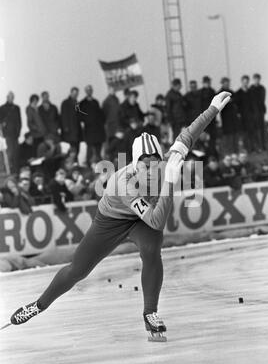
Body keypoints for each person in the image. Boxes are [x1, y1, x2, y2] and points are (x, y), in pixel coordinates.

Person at [9, 92, 231, 341]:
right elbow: (157, 220)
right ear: (134, 164)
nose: (150, 169)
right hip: (111, 221)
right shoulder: (124, 184)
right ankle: (38, 305)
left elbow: (189, 134)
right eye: (144, 164)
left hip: (140, 220)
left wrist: (212, 109)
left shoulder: (165, 163)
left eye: (155, 163)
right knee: (78, 271)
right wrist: (169, 180)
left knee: (151, 248)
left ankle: (150, 313)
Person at [79, 85, 106, 164]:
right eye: (87, 90)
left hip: (98, 129)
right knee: (90, 149)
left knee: (98, 149)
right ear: (85, 91)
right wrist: (87, 121)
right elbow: (80, 116)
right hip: (89, 130)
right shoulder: (82, 103)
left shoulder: (95, 102)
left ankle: (100, 165)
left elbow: (100, 114)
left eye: (90, 90)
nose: (89, 91)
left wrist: (102, 122)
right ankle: (89, 164)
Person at [0, 91, 22, 173]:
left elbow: (19, 121)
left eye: (12, 97)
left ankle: (15, 172)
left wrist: (18, 132)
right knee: (9, 154)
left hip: (15, 135)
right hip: (7, 135)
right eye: (10, 97)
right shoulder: (2, 108)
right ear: (7, 97)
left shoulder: (16, 108)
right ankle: (8, 173)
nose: (11, 98)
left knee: (16, 154)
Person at [60, 87, 82, 158]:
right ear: (71, 93)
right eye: (74, 93)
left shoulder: (77, 103)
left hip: (77, 131)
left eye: (76, 94)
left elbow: (79, 116)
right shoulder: (65, 103)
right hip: (69, 131)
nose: (75, 95)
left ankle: (75, 163)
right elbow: (63, 116)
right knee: (71, 149)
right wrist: (66, 128)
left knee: (77, 148)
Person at [249, 74, 266, 150]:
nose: (257, 80)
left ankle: (262, 146)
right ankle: (256, 146)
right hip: (253, 113)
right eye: (255, 79)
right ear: (253, 79)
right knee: (254, 130)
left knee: (261, 130)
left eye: (258, 79)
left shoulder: (262, 88)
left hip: (260, 112)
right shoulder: (251, 89)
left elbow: (262, 99)